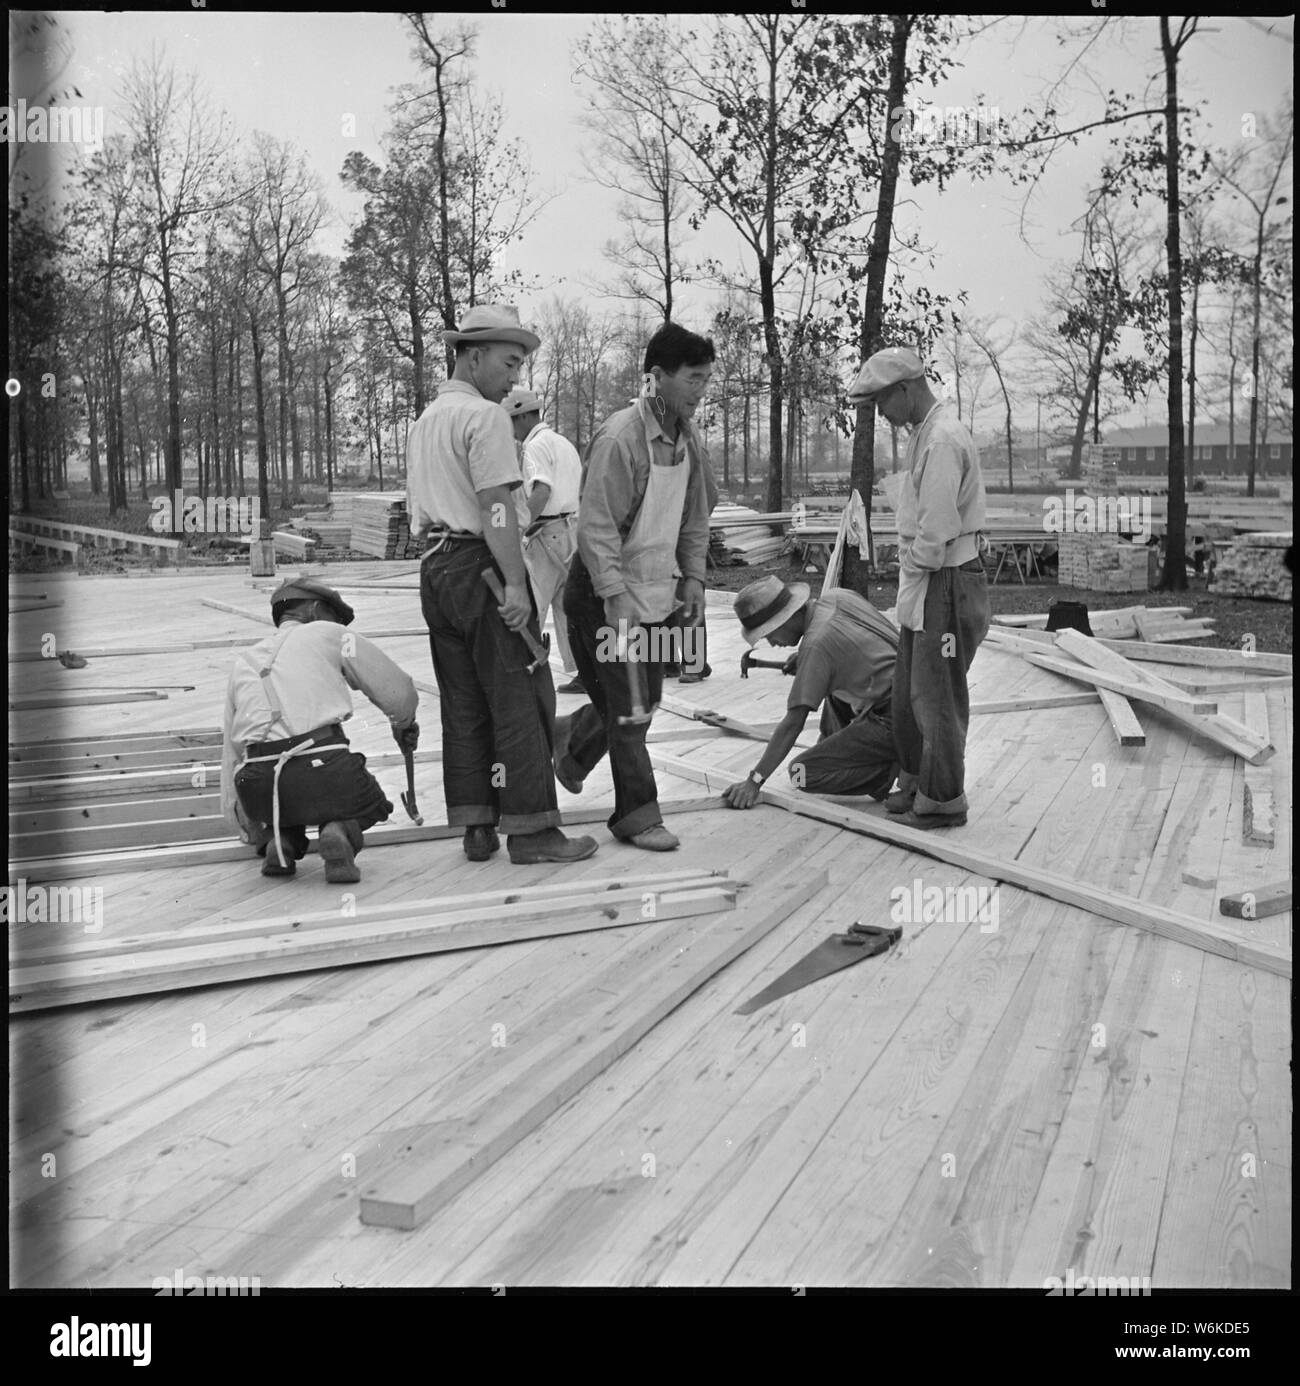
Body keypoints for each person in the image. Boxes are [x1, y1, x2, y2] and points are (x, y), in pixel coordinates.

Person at [406, 303, 598, 866]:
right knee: (518, 697)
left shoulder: (425, 420)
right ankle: (534, 831)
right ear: (474, 354)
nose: (515, 377)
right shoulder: (484, 417)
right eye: (509, 363)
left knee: (464, 701)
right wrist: (516, 584)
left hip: (437, 570)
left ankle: (476, 822)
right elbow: (495, 508)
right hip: (479, 564)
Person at [556, 320, 715, 851]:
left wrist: (692, 577)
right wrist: (614, 597)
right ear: (657, 378)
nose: (701, 390)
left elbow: (695, 519)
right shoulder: (621, 437)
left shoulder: (690, 443)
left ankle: (572, 745)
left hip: (655, 592)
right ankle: (638, 816)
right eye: (692, 379)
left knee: (642, 698)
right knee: (630, 707)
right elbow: (596, 525)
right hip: (602, 595)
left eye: (706, 379)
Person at [848, 345, 989, 828]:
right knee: (912, 687)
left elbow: (937, 526)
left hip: (944, 578)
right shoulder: (923, 434)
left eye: (884, 403)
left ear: (906, 390)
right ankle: (916, 781)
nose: (884, 414)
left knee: (938, 695)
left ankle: (943, 799)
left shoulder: (941, 440)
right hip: (930, 578)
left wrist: (910, 561)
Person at [220, 578, 419, 884]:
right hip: (325, 772)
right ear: (314, 610)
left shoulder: (244, 661)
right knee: (373, 803)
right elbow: (398, 693)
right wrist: (403, 724)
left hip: (257, 785)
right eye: (335, 617)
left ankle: (282, 841)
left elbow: (232, 752)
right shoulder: (330, 633)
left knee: (284, 791)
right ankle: (339, 831)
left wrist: (246, 823)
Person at [721, 576, 899, 809]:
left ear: (785, 619)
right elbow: (851, 644)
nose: (773, 643)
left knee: (801, 773)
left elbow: (793, 724)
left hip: (895, 717)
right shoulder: (837, 596)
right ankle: (869, 751)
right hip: (910, 690)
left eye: (769, 634)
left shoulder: (817, 646)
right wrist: (807, 661)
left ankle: (893, 767)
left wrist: (754, 781)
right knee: (832, 692)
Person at [500, 387, 583, 694]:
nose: (510, 428)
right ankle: (584, 672)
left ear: (522, 416)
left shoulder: (535, 446)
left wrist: (519, 526)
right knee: (568, 606)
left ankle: (527, 669)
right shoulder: (563, 443)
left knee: (533, 605)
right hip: (570, 529)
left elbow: (542, 491)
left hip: (546, 535)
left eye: (511, 420)